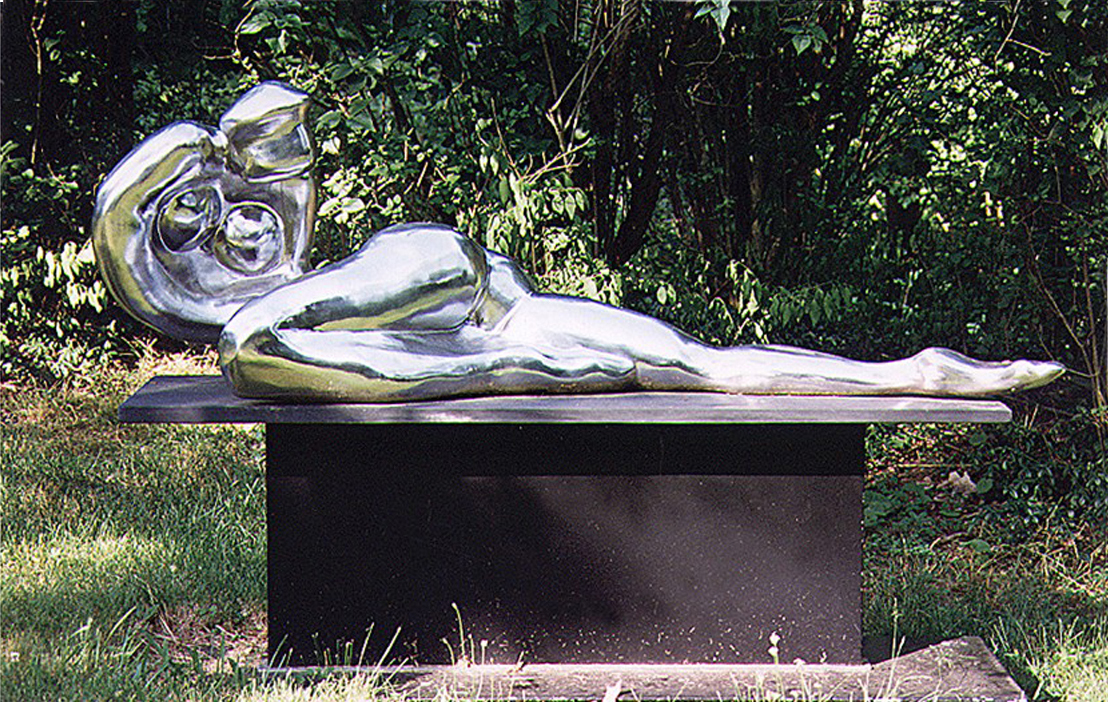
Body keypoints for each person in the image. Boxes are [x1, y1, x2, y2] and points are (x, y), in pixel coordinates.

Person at [93, 82, 1064, 402]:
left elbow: (442, 275)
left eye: (239, 197)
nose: (242, 224)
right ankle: (918, 372)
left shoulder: (339, 284)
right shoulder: (257, 323)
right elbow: (139, 234)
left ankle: (917, 373)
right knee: (703, 366)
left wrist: (508, 364)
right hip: (500, 322)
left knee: (698, 362)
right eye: (195, 223)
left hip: (487, 311)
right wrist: (508, 362)